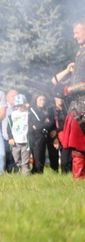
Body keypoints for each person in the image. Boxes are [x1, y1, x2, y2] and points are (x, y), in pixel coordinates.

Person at [52, 19, 85, 179]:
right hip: (77, 105)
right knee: (77, 145)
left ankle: (78, 178)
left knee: (80, 145)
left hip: (82, 106)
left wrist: (68, 89)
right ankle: (78, 180)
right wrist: (64, 86)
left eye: (77, 32)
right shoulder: (80, 53)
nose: (74, 36)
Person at [29, 92, 55, 174]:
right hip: (35, 138)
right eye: (40, 100)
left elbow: (50, 123)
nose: (42, 102)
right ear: (36, 100)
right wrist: (44, 123)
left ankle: (39, 173)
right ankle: (36, 173)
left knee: (42, 157)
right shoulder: (32, 111)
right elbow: (33, 125)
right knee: (37, 157)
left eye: (44, 100)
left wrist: (41, 124)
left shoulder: (47, 110)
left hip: (43, 136)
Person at [6, 94, 31, 176]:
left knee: (25, 160)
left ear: (25, 104)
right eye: (18, 105)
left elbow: (34, 116)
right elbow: (9, 127)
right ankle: (17, 173)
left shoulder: (28, 114)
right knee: (16, 159)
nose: (19, 107)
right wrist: (10, 138)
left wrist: (29, 107)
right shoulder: (12, 115)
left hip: (26, 141)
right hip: (15, 142)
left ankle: (26, 174)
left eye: (21, 105)